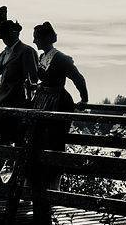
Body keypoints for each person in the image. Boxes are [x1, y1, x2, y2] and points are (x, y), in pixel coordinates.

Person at [30, 21, 88, 190]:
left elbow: (78, 78)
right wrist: (36, 87)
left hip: (58, 103)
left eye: (36, 38)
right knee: (39, 142)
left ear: (46, 39)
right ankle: (39, 185)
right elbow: (46, 80)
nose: (34, 42)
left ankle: (53, 186)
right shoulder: (42, 57)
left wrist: (84, 99)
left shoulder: (61, 59)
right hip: (42, 102)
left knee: (54, 143)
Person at [0, 6, 39, 182]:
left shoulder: (26, 51)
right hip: (2, 105)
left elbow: (33, 80)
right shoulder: (2, 54)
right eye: (3, 35)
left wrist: (29, 103)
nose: (6, 38)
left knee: (18, 143)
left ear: (16, 33)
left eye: (9, 33)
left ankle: (16, 180)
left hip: (18, 105)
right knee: (0, 142)